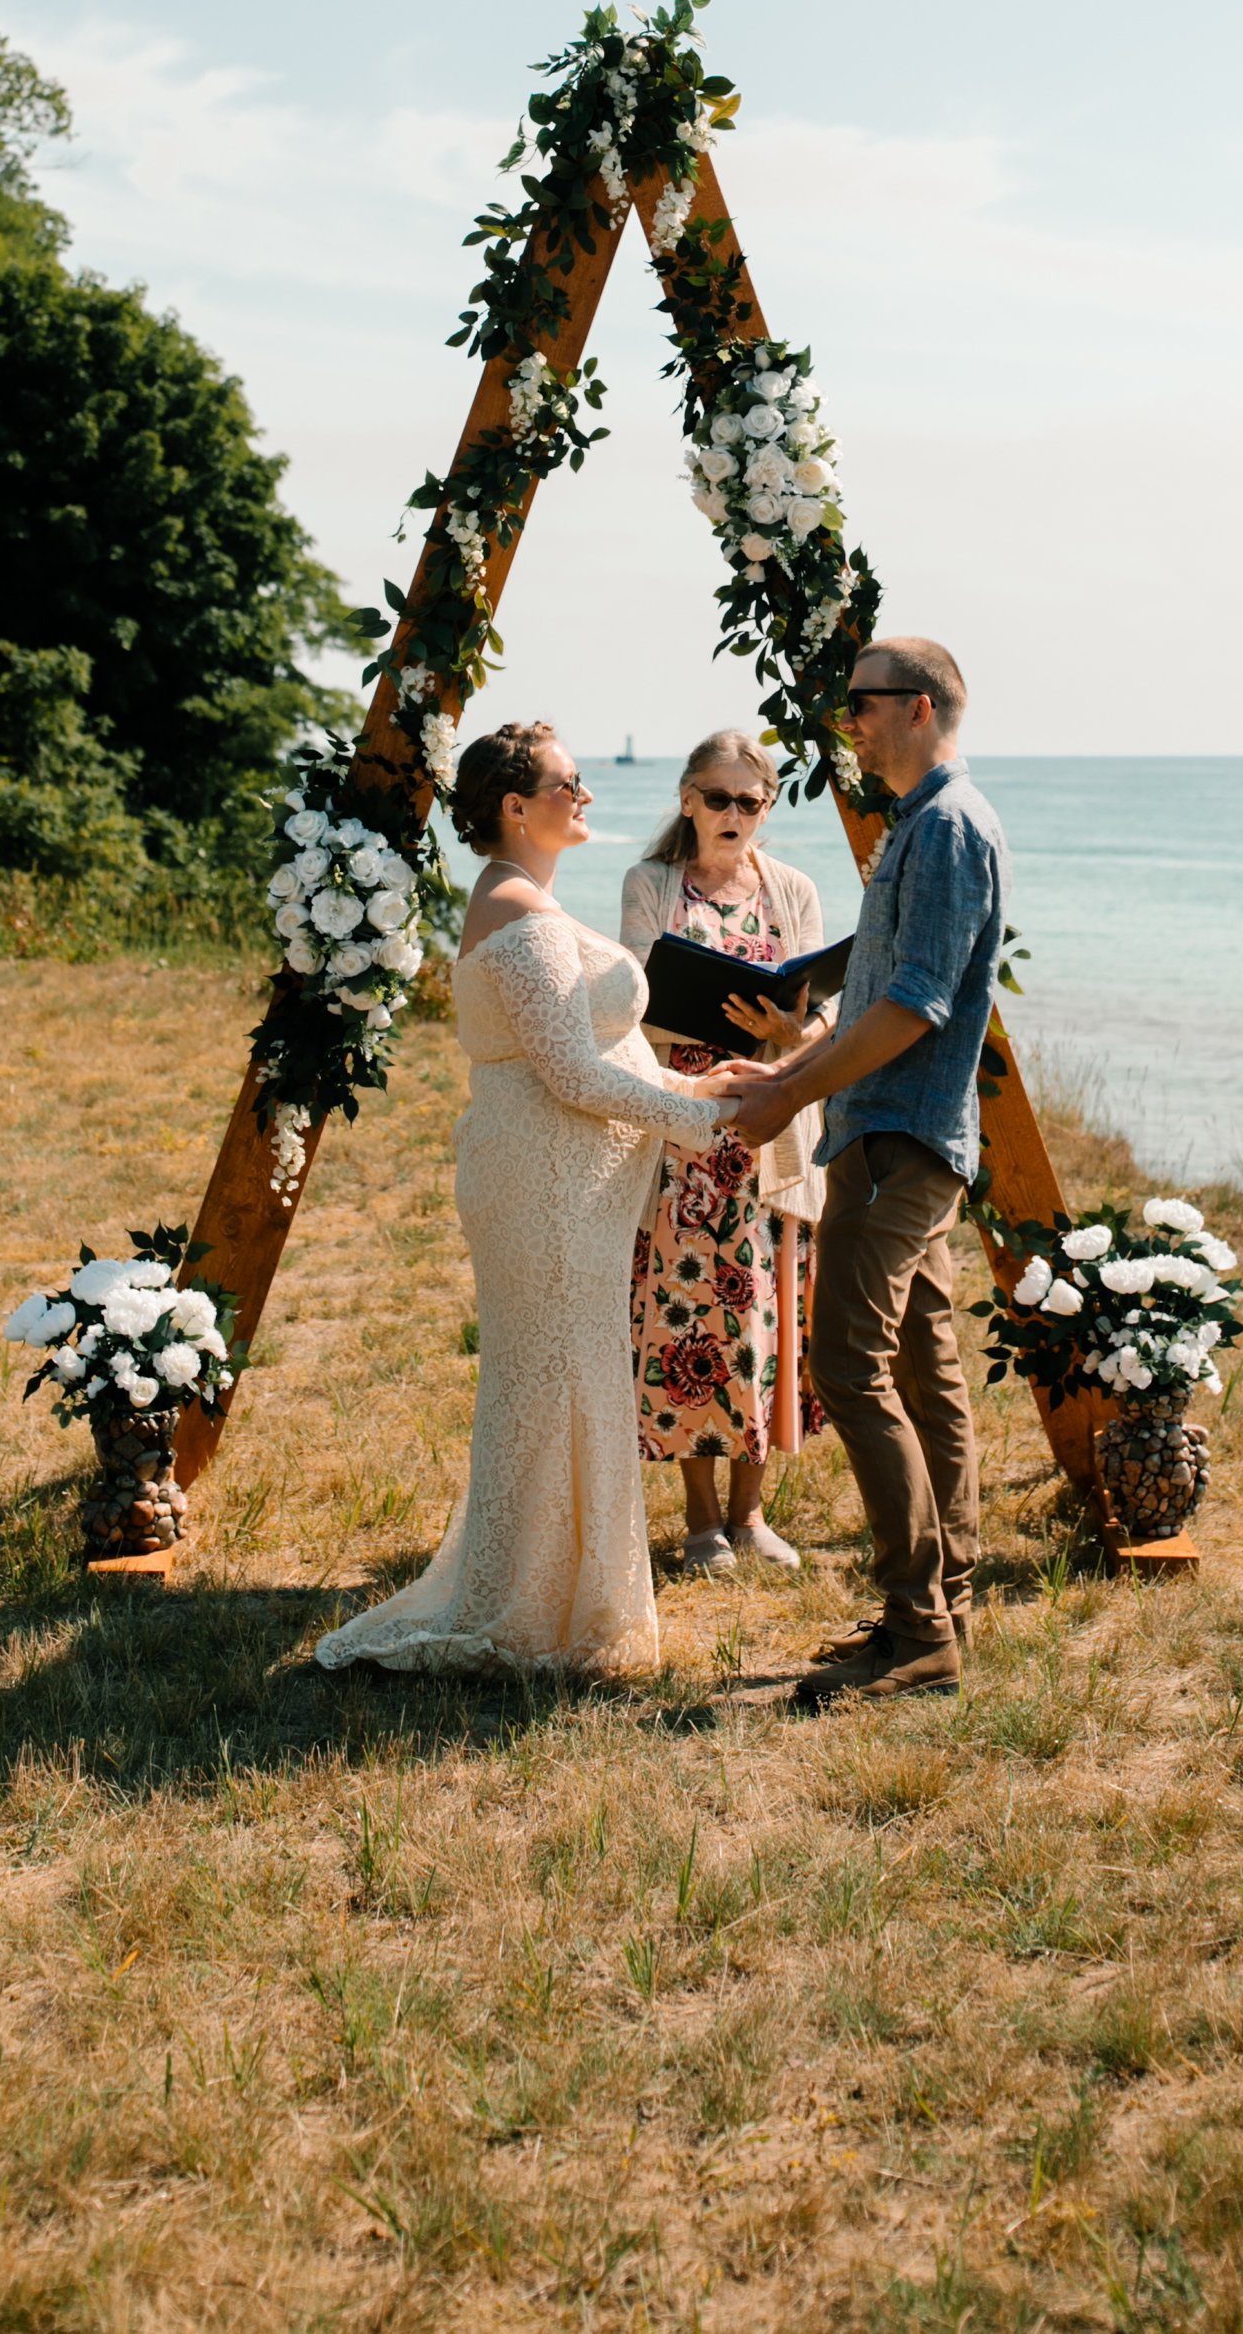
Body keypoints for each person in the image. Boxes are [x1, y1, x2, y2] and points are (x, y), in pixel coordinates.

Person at [314, 721, 739, 1680]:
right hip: (545, 1189)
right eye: (568, 783)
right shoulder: (515, 912)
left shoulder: (524, 902)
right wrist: (699, 1121)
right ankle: (530, 1605)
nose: (584, 796)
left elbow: (583, 1062)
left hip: (566, 1190)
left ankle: (562, 1592)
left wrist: (701, 1094)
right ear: (515, 805)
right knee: (555, 1385)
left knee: (566, 1382)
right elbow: (573, 1076)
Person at [719, 638, 1006, 1710]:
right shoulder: (917, 825)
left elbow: (915, 1004)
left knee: (845, 1360)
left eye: (863, 704)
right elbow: (875, 988)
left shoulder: (945, 829)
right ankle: (934, 1613)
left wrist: (790, 1097)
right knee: (925, 1370)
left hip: (905, 1136)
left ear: (920, 709)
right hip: (883, 1129)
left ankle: (922, 1626)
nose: (846, 721)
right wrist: (792, 1063)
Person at [621, 729, 829, 1574]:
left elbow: (822, 1016)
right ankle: (699, 1522)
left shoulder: (794, 890)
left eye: (750, 801)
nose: (733, 814)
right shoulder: (651, 884)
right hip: (685, 1132)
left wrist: (791, 1031)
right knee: (684, 1318)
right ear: (686, 799)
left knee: (765, 1320)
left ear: (768, 808)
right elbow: (634, 1003)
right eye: (718, 798)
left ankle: (751, 1516)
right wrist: (709, 1026)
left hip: (771, 1128)